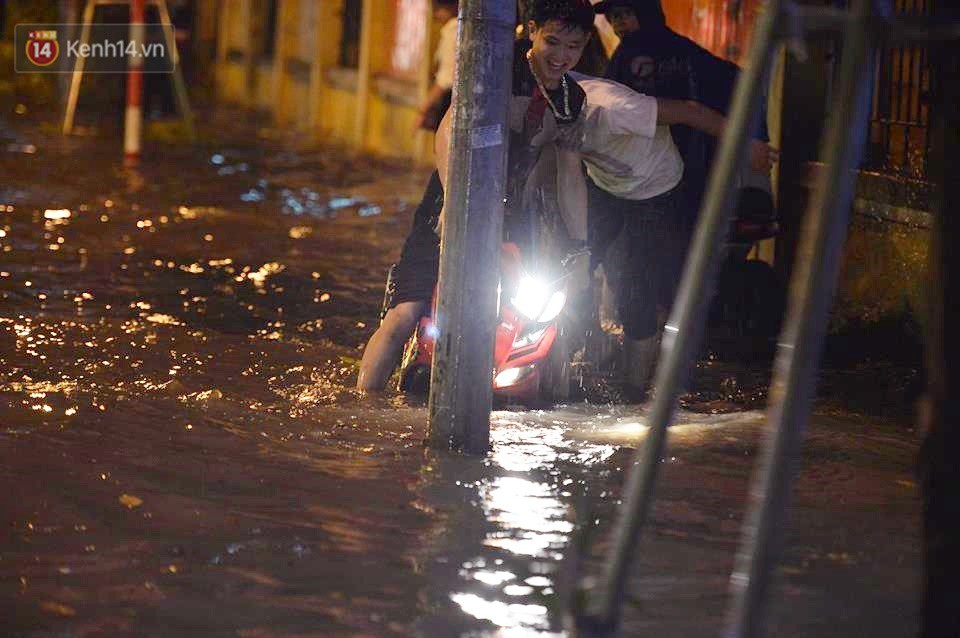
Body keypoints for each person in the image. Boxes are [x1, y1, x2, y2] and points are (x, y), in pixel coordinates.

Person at [357, 0, 596, 392]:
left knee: (538, 309)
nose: (562, 57)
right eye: (552, 42)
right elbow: (447, 131)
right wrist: (454, 201)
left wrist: (581, 248)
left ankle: (531, 396)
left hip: (514, 212)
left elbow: (570, 175)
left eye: (574, 47)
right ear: (531, 31)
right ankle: (364, 405)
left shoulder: (572, 100)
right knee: (407, 310)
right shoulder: (498, 69)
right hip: (450, 202)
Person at [414, 0, 459, 132]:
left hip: (450, 103)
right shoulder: (453, 29)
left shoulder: (454, 30)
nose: (435, 13)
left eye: (438, 8)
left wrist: (424, 108)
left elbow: (446, 78)